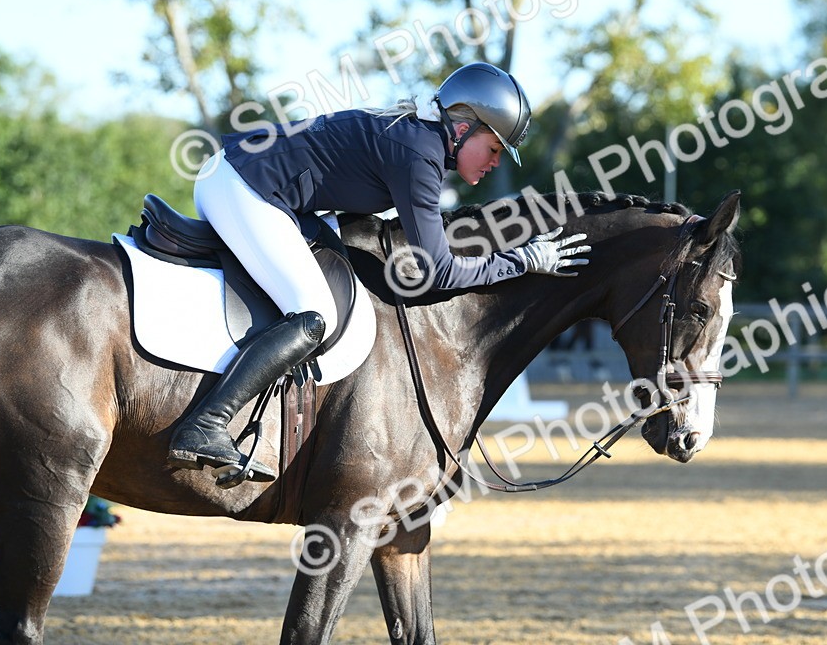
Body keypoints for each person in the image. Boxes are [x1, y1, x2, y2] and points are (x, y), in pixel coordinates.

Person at [167, 62, 591, 483]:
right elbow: (440, 271)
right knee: (314, 314)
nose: (496, 162)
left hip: (257, 183)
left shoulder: (420, 139)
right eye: (494, 149)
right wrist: (523, 261)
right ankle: (206, 424)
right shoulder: (420, 154)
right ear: (463, 130)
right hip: (244, 186)